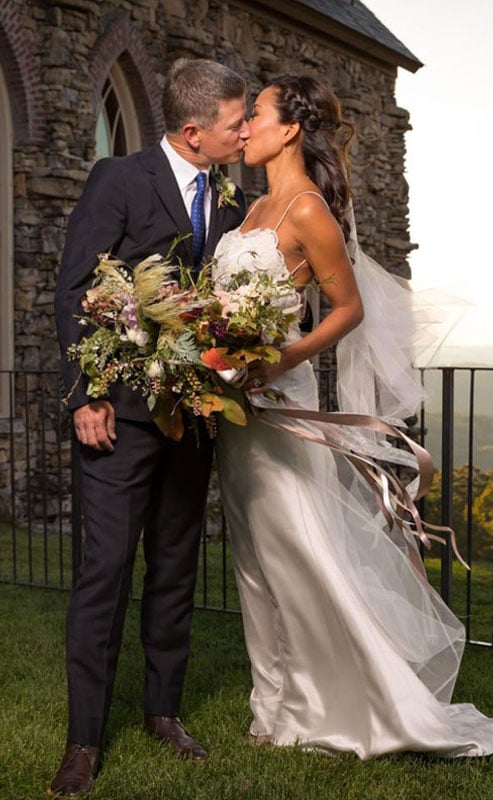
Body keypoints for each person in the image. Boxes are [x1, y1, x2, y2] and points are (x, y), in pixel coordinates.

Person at [212, 74, 493, 758]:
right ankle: (274, 707)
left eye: (254, 113)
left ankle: (359, 702)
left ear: (288, 128)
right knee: (256, 563)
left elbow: (350, 311)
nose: (245, 125)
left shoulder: (308, 211)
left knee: (305, 554)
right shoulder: (253, 210)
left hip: (281, 406)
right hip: (237, 415)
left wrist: (280, 362)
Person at [51, 59, 249, 796]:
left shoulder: (230, 196)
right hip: (119, 419)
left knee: (174, 570)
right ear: (194, 133)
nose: (246, 132)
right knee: (104, 575)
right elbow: (74, 289)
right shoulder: (119, 180)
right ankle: (83, 741)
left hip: (191, 421)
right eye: (236, 123)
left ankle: (164, 714)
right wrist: (84, 397)